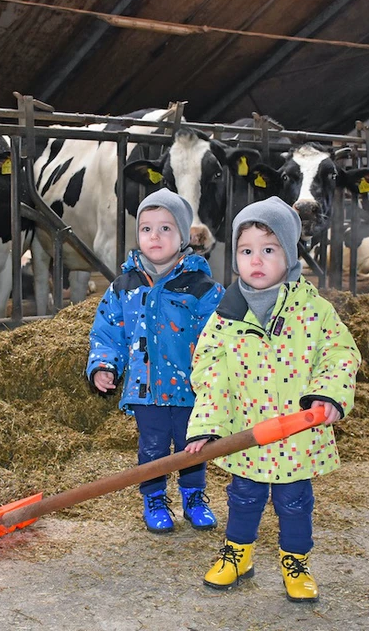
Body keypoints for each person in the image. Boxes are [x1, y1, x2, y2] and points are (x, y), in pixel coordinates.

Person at [184, 197, 361, 601]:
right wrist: (209, 426)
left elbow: (340, 353)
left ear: (290, 253)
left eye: (269, 249)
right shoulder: (226, 315)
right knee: (243, 496)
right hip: (247, 432)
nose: (256, 260)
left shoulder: (314, 310)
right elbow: (210, 373)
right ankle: (237, 554)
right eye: (246, 251)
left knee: (295, 501)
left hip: (297, 433)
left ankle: (295, 562)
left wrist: (329, 394)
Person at [87, 188, 224, 534]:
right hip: (145, 388)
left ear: (182, 236)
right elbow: (107, 334)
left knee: (194, 446)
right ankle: (155, 499)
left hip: (191, 388)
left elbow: (220, 335)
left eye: (166, 228)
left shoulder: (201, 287)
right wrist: (103, 365)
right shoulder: (123, 287)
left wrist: (218, 377)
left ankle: (194, 498)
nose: (155, 236)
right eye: (147, 229)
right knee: (153, 447)